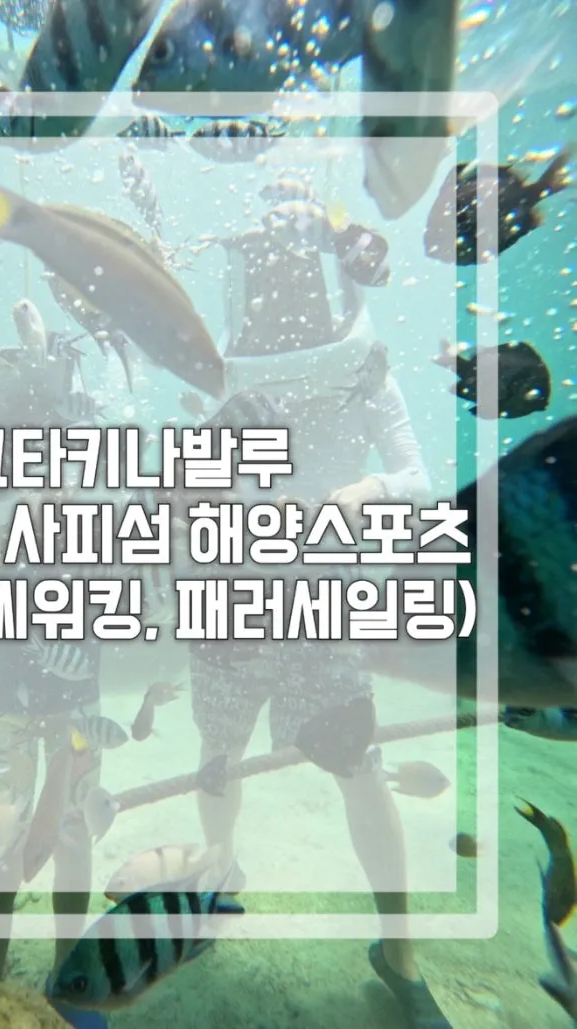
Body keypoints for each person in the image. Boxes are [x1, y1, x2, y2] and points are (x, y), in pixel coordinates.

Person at [187, 188, 452, 1029]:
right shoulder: (224, 378)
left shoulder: (365, 370)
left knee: (359, 764)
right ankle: (216, 879)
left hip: (325, 600)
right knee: (219, 754)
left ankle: (399, 951)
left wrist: (362, 490)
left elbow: (417, 480)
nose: (287, 290)